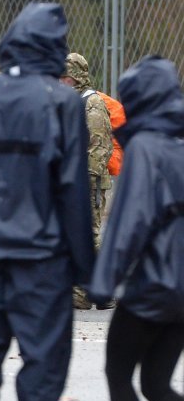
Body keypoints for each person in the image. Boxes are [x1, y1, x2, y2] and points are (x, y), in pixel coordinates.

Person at [0, 2, 95, 401]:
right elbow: (73, 191)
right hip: (43, 261)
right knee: (43, 377)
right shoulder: (64, 103)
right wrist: (87, 270)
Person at [89, 55, 184, 401]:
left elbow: (129, 223)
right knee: (157, 384)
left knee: (119, 376)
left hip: (152, 287)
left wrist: (102, 283)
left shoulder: (145, 147)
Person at [60, 52, 114, 310]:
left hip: (87, 181)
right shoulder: (70, 102)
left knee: (90, 233)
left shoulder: (91, 103)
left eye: (64, 77)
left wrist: (87, 180)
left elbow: (99, 145)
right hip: (73, 180)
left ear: (75, 78)